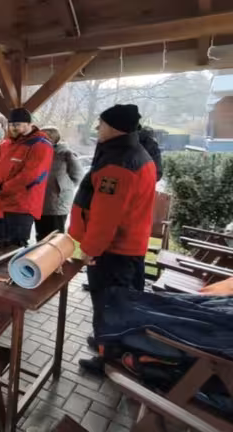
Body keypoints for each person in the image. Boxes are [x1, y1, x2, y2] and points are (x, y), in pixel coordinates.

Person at [69, 104, 157, 373]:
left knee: (110, 306)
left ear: (115, 127)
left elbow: (106, 216)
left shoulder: (120, 163)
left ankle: (109, 359)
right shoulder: (132, 153)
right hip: (126, 248)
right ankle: (105, 342)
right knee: (117, 304)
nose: (98, 128)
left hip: (115, 252)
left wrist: (90, 249)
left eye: (102, 123)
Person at [0, 108, 53, 245]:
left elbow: (30, 177)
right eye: (11, 124)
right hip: (7, 202)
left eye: (17, 124)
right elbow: (3, 167)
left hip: (22, 205)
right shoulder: (12, 143)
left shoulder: (40, 145)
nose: (13, 128)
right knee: (4, 245)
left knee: (16, 245)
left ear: (29, 124)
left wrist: (1, 187)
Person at [35, 126, 84, 241]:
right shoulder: (39, 153)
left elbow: (78, 175)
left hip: (57, 202)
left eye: (43, 137)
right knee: (41, 236)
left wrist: (62, 187)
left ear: (52, 138)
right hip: (40, 201)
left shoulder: (66, 154)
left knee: (55, 237)